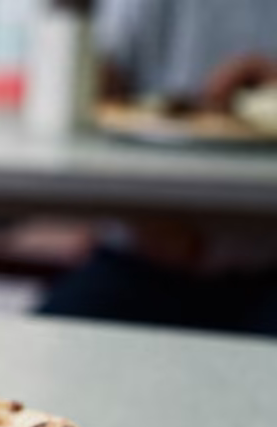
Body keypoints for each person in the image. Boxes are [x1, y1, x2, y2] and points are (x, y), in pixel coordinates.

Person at [39, 0, 277, 334]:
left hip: (265, 269)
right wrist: (145, 217)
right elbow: (93, 98)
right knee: (37, 359)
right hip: (140, 257)